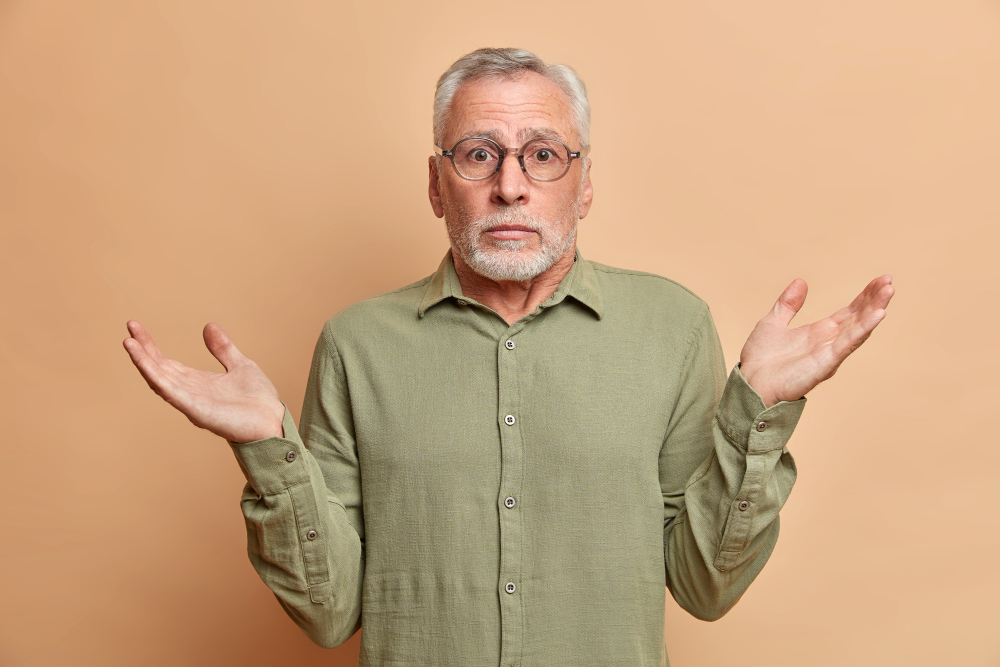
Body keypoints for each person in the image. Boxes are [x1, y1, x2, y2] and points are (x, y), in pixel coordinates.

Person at [123, 47, 894, 667]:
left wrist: (757, 412)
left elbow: (705, 585)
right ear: (436, 184)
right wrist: (267, 447)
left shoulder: (675, 327)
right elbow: (330, 617)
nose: (511, 187)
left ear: (585, 184)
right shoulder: (355, 345)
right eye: (478, 154)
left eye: (545, 155)